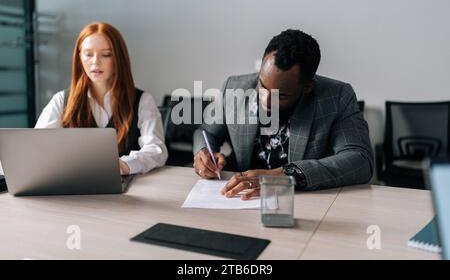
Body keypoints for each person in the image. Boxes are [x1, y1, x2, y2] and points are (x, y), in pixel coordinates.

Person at [193, 29, 374, 199]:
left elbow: (360, 160)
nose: (266, 101)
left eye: (281, 96)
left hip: (302, 203)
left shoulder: (336, 97)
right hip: (237, 198)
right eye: (262, 87)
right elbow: (207, 132)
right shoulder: (234, 87)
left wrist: (286, 175)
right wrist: (204, 153)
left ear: (308, 87)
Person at [36, 22, 167, 175]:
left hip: (126, 191)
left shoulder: (143, 101)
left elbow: (157, 150)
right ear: (79, 57)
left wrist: (124, 165)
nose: (95, 62)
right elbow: (38, 147)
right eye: (88, 54)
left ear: (118, 58)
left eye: (106, 54)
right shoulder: (61, 100)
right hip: (73, 186)